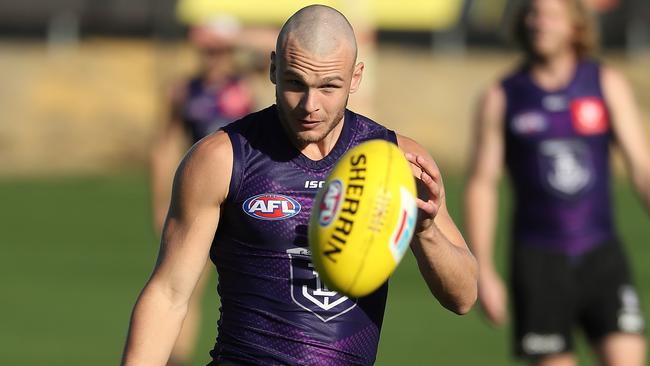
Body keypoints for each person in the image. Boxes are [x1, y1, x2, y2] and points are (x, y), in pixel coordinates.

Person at [124, 5, 478, 365]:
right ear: (274, 68)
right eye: (296, 83)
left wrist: (428, 231)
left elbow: (463, 298)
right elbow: (168, 294)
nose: (311, 105)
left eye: (329, 87)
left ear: (355, 78)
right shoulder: (222, 159)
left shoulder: (397, 162)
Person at [465, 0, 650, 365]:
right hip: (538, 263)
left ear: (576, 26)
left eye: (550, 15)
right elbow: (482, 184)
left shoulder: (604, 83)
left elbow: (642, 167)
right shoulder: (502, 96)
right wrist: (482, 269)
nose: (539, 23)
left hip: (602, 255)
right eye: (532, 13)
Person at [150, 17, 255, 366]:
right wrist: (161, 201)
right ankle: (175, 359)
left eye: (221, 50)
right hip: (198, 200)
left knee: (249, 286)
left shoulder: (246, 89)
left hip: (240, 199)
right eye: (208, 50)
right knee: (184, 285)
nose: (214, 57)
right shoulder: (183, 91)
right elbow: (164, 147)